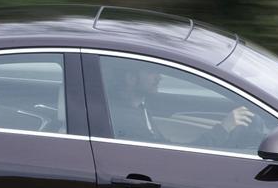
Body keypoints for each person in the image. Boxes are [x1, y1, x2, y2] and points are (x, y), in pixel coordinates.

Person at [104, 60, 257, 148]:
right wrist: (224, 128)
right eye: (151, 72)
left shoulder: (138, 106)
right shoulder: (126, 121)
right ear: (130, 78)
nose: (159, 78)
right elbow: (169, 160)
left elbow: (163, 146)